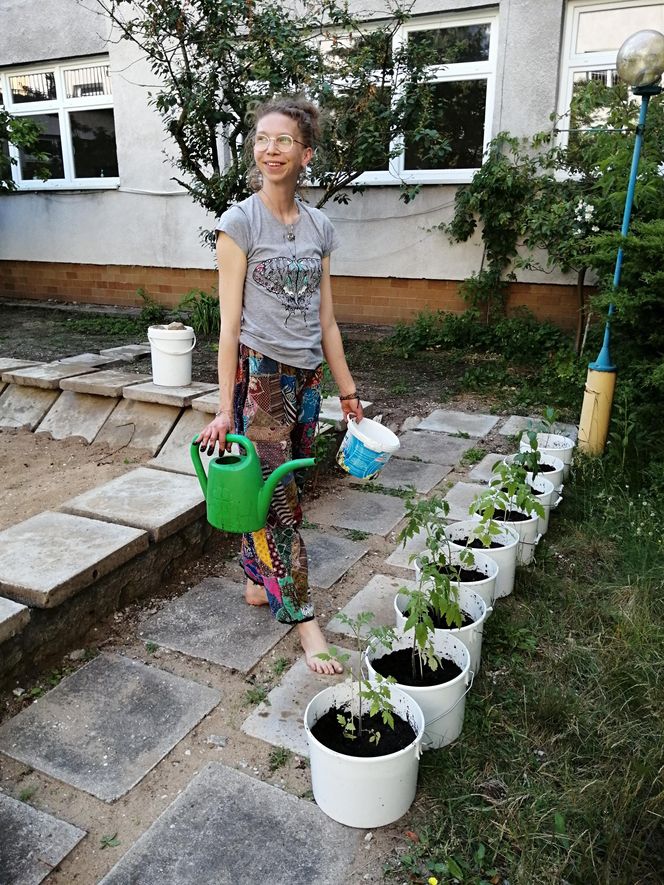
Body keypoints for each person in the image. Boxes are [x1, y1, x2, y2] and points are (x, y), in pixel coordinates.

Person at [196, 96, 363, 675]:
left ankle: (254, 574)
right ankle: (304, 620)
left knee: (290, 486)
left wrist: (347, 391)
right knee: (282, 501)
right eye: (262, 139)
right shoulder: (239, 224)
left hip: (307, 380)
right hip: (261, 378)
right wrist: (225, 407)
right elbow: (229, 325)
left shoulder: (320, 227)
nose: (270, 149)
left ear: (305, 153)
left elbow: (327, 321)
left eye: (283, 140)